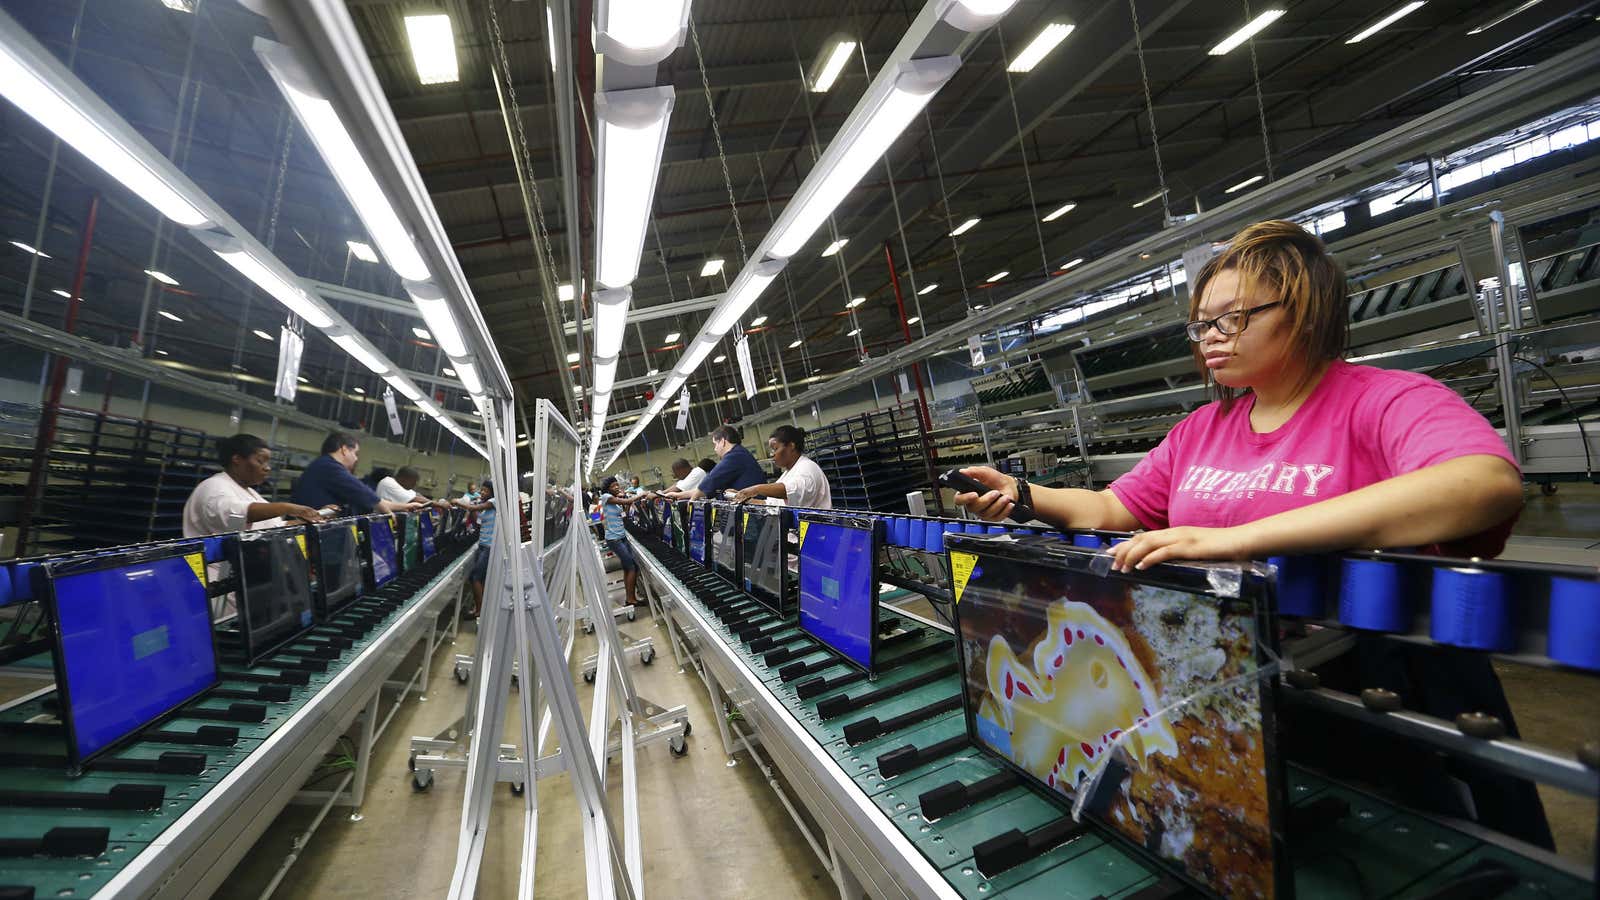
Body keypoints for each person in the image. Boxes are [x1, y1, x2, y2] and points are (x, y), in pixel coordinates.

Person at [953, 219, 1546, 847]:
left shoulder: (1386, 400)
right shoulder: (1203, 429)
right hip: (1242, 682)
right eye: (1201, 324)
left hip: (1383, 686)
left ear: (1305, 311)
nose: (1209, 338)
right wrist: (1023, 495)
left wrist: (1239, 539)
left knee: (1418, 850)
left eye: (1231, 320)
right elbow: (1111, 508)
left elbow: (1483, 484)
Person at [182, 434, 323, 537]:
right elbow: (235, 515)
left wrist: (311, 518)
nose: (267, 468)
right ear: (237, 459)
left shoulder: (250, 492)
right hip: (214, 574)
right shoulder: (214, 487)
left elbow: (275, 527)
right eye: (261, 461)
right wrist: (287, 507)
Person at [291, 431, 425, 516]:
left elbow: (371, 499)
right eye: (355, 453)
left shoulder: (324, 466)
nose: (356, 458)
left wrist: (406, 506)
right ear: (344, 450)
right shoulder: (329, 467)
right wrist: (389, 512)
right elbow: (364, 493)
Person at [733, 425, 831, 509]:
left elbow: (790, 490)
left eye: (775, 448)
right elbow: (771, 505)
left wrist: (755, 489)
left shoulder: (807, 468)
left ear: (791, 446)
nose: (772, 454)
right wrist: (743, 497)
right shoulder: (788, 473)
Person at [598, 476, 644, 607]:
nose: (617, 487)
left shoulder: (614, 500)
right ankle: (631, 599)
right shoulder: (606, 497)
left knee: (627, 567)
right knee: (632, 567)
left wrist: (626, 502)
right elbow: (627, 501)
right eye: (613, 486)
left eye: (617, 485)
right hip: (614, 539)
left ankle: (631, 597)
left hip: (621, 536)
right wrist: (642, 494)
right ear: (607, 489)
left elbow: (623, 513)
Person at [686, 424, 767, 499]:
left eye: (715, 444)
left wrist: (692, 500)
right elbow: (708, 488)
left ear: (722, 441)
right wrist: (679, 495)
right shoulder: (739, 452)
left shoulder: (735, 456)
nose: (715, 449)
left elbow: (711, 479)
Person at [455, 480, 497, 619]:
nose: (482, 492)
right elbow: (477, 519)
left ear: (492, 492)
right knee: (480, 578)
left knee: (475, 577)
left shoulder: (494, 502)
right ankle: (478, 608)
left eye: (485, 490)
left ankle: (480, 611)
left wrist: (457, 501)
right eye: (482, 490)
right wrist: (471, 507)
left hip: (490, 547)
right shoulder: (486, 507)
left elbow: (475, 510)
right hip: (483, 545)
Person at [376, 465, 451, 508]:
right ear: (403, 479)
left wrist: (436, 502)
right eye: (413, 482)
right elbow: (415, 499)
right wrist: (439, 504)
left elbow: (417, 495)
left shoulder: (401, 486)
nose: (414, 485)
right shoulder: (388, 482)